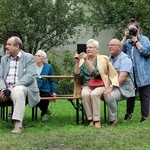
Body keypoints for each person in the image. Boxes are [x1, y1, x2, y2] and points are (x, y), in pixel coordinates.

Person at [74, 39, 119, 128]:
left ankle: (97, 120)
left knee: (94, 94)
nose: (88, 49)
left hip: (100, 84)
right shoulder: (82, 60)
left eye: (90, 47)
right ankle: (90, 119)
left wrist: (86, 60)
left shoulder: (103, 58)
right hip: (87, 85)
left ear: (97, 49)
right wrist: (77, 62)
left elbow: (95, 73)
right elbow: (77, 76)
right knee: (85, 94)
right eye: (87, 48)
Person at [0, 36, 40, 133]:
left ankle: (18, 125)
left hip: (24, 88)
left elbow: (30, 77)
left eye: (9, 44)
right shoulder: (4, 59)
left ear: (17, 46)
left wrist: (12, 88)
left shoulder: (29, 58)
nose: (6, 46)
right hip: (5, 89)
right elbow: (0, 76)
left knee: (17, 91)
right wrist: (2, 89)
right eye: (6, 44)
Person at [121, 18, 150, 122]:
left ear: (139, 29)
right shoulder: (127, 42)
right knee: (130, 95)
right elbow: (119, 50)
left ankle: (144, 117)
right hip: (131, 73)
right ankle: (129, 114)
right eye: (130, 30)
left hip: (143, 73)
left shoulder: (145, 40)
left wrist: (136, 41)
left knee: (144, 96)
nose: (132, 32)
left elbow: (147, 52)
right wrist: (125, 37)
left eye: (133, 29)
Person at [103, 38, 135, 126]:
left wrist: (111, 87)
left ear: (119, 48)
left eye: (112, 45)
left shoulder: (125, 59)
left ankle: (113, 120)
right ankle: (93, 119)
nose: (110, 47)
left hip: (124, 88)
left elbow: (123, 77)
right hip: (113, 86)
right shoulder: (109, 59)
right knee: (95, 93)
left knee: (109, 95)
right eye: (109, 45)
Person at [35, 50, 56, 121]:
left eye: (38, 56)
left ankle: (43, 113)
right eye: (35, 55)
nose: (36, 57)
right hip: (34, 88)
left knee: (45, 97)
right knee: (32, 96)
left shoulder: (48, 67)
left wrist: (53, 91)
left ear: (43, 59)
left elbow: (52, 80)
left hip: (45, 89)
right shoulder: (31, 66)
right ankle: (45, 109)